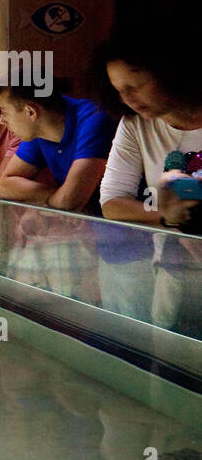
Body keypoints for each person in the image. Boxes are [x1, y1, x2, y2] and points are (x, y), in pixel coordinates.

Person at [93, 29, 202, 334]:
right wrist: (168, 218)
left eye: (136, 85)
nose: (127, 98)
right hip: (173, 281)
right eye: (118, 90)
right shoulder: (135, 125)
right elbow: (112, 202)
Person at [0, 85, 116, 212]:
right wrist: (54, 197)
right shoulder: (39, 128)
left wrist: (58, 200)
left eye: (4, 112)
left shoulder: (94, 120)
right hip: (87, 223)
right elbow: (4, 186)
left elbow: (70, 202)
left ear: (31, 112)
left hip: (128, 224)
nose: (1, 120)